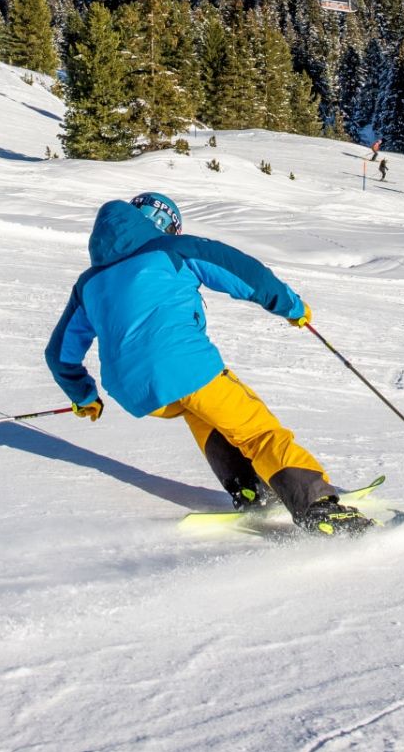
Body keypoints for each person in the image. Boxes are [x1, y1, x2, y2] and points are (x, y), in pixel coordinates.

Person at [45, 192, 373, 535]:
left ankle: (249, 489)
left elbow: (59, 353)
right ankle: (317, 506)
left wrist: (83, 396)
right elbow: (243, 272)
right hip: (184, 365)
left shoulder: (88, 283)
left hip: (134, 391)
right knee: (257, 430)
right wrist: (291, 306)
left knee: (202, 413)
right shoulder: (172, 249)